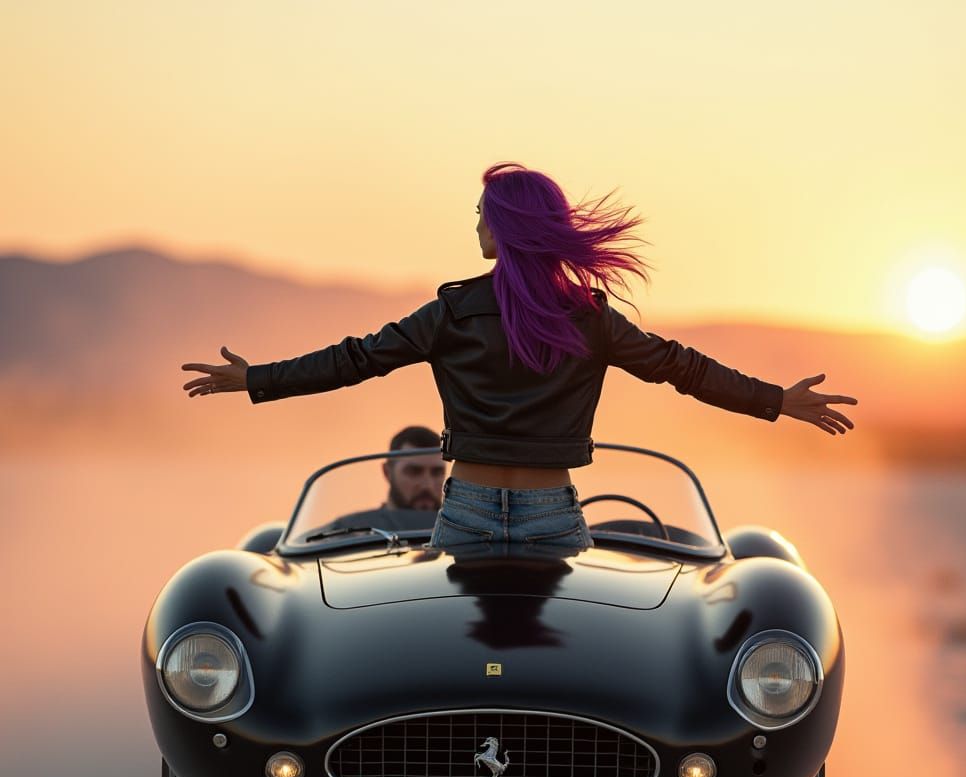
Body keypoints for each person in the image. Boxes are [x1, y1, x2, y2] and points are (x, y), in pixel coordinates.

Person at [182, 162, 857, 550]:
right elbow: (681, 367)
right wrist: (776, 401)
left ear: (504, 226)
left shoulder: (452, 311)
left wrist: (254, 380)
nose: (474, 223)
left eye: (481, 213)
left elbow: (356, 359)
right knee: (561, 678)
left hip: (466, 509)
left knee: (456, 675)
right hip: (552, 512)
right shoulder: (589, 318)